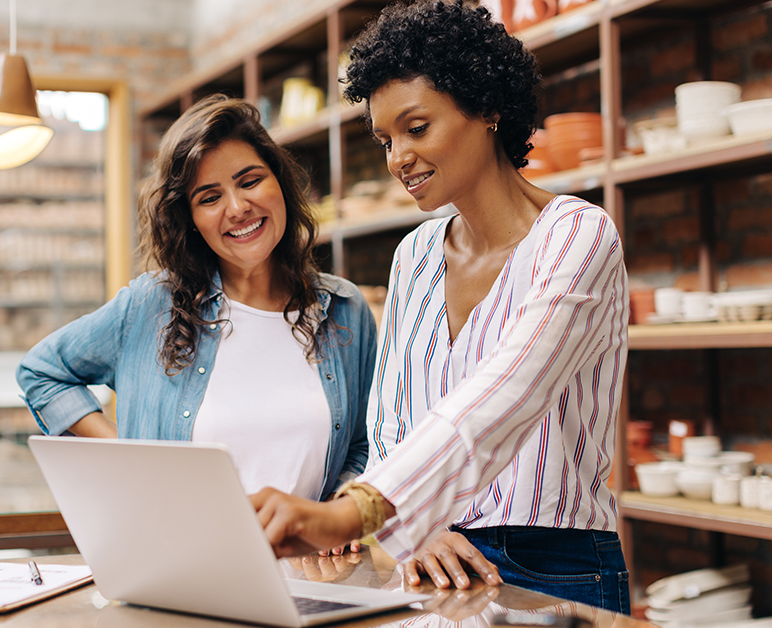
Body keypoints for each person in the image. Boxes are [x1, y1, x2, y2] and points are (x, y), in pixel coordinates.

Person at [251, 0, 630, 613]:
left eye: (416, 128)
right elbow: (391, 423)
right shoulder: (416, 254)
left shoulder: (577, 237)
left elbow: (505, 399)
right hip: (430, 559)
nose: (397, 156)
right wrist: (415, 530)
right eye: (384, 139)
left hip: (555, 569)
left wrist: (357, 512)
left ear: (486, 109)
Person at [17, 95, 377, 532]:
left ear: (280, 183)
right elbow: (41, 372)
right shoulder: (152, 306)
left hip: (311, 580)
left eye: (250, 181)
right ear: (189, 219)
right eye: (209, 198)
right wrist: (129, 452)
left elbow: (363, 443)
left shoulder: (345, 310)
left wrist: (335, 514)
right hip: (181, 560)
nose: (237, 207)